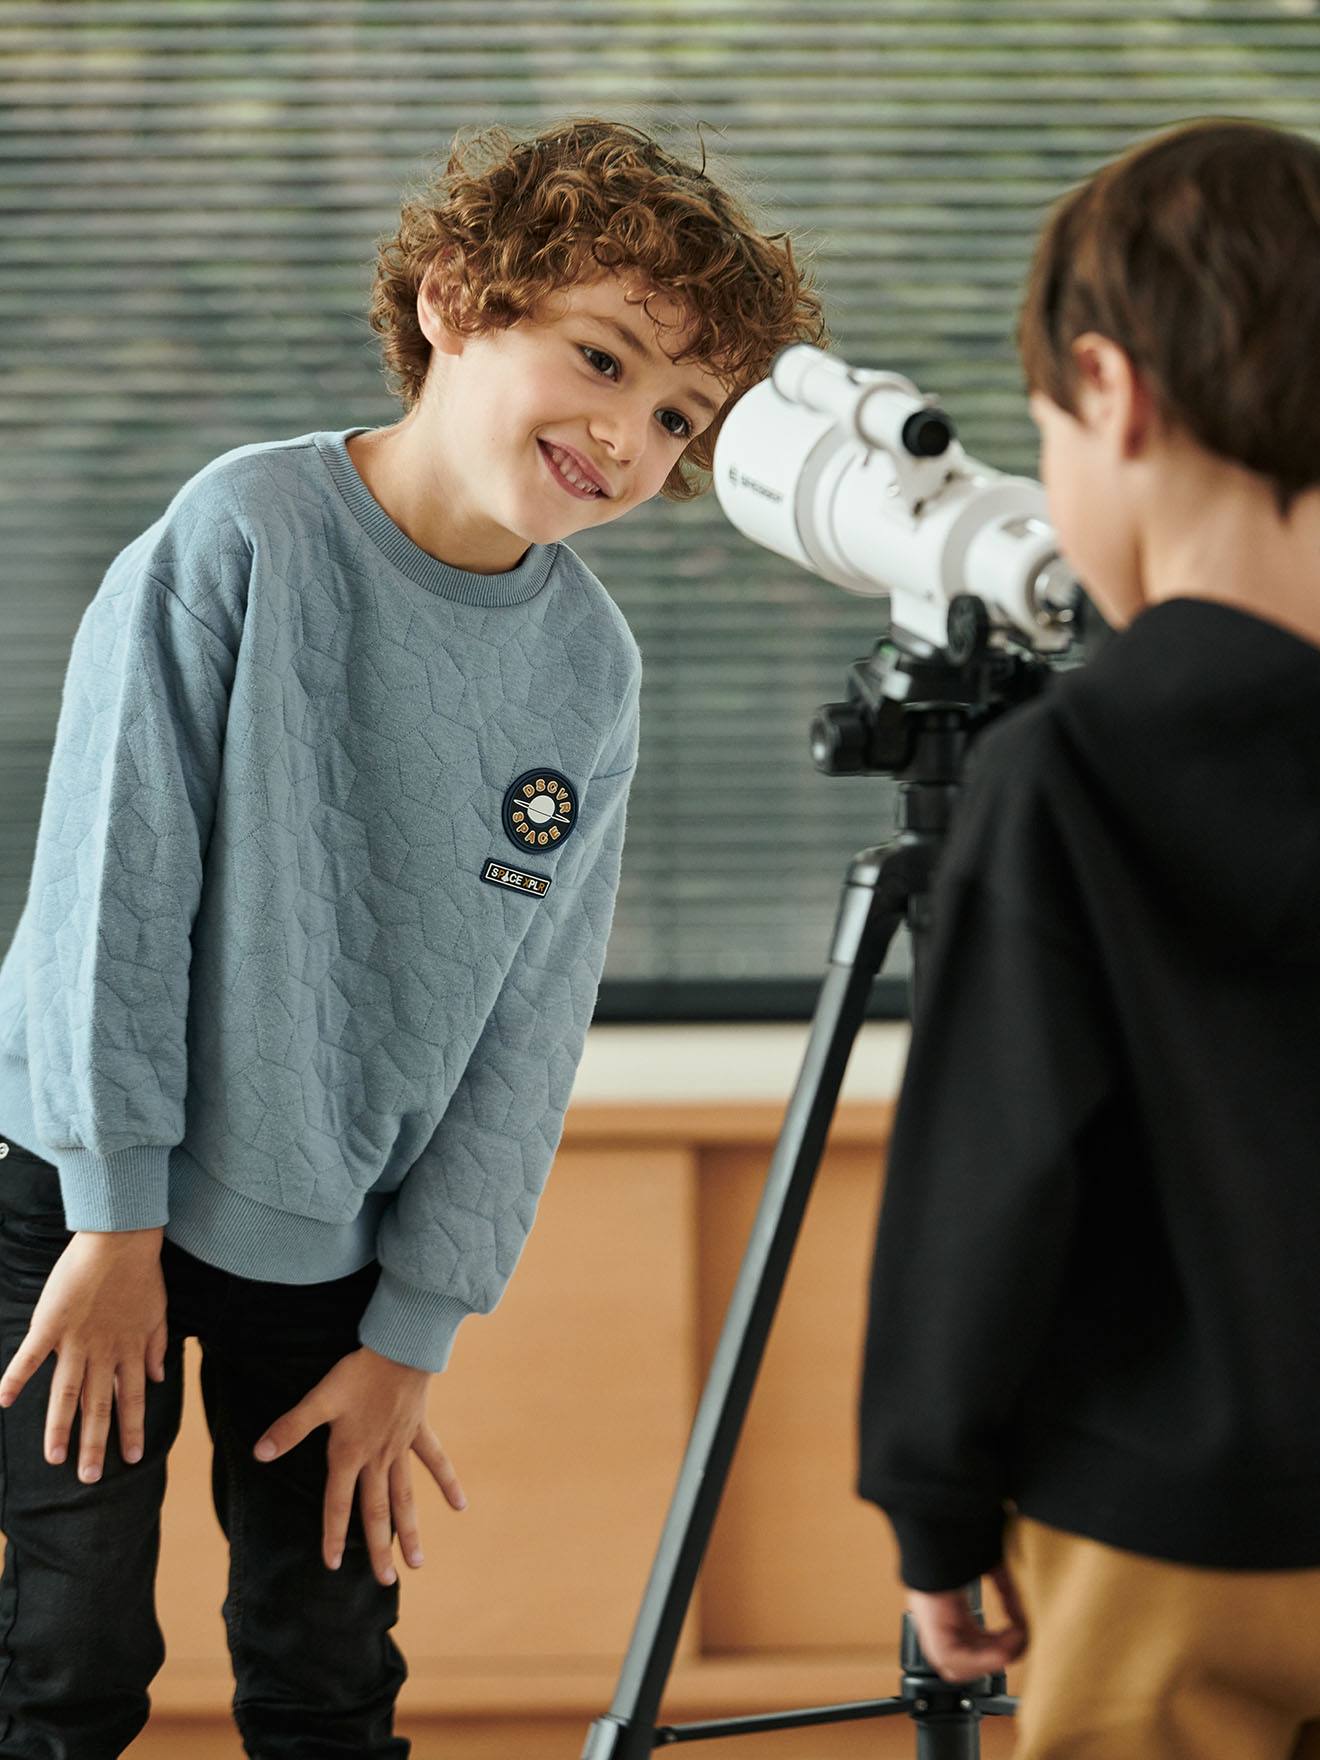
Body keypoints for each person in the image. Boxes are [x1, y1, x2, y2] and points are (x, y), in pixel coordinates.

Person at [0, 115, 825, 1757]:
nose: (629, 433)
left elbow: (530, 1029)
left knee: (328, 1679)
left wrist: (415, 1332)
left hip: (337, 1251)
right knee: (65, 1657)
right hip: (91, 1207)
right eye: (602, 357)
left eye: (679, 416)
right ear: (457, 300)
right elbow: (114, 880)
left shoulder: (591, 677)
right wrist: (114, 1219)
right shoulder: (245, 534)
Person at [856, 116, 1320, 1760]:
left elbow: (992, 1165)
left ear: (1111, 395)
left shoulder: (1069, 768)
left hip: (1169, 1531)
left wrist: (934, 1502)